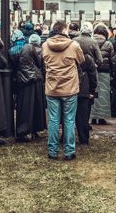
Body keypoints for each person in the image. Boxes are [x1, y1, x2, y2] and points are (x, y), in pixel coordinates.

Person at [43, 20, 84, 160]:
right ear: (65, 30)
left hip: (52, 88)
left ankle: (52, 151)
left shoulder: (45, 45)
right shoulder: (73, 45)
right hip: (70, 88)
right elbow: (81, 60)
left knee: (53, 120)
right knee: (69, 120)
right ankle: (69, 151)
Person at [15, 34, 47, 142]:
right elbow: (42, 66)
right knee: (37, 106)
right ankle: (35, 129)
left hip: (25, 80)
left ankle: (24, 131)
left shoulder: (23, 49)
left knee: (26, 107)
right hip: (36, 79)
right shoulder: (40, 50)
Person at [91, 24, 114, 125]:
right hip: (105, 71)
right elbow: (112, 60)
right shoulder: (108, 44)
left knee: (94, 93)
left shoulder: (91, 42)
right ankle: (101, 117)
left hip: (93, 71)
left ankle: (92, 117)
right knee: (104, 95)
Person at [76, 53, 98, 145]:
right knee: (83, 116)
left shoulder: (68, 55)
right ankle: (84, 138)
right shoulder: (87, 58)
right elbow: (93, 75)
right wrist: (92, 91)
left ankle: (65, 137)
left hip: (69, 89)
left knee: (67, 116)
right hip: (84, 90)